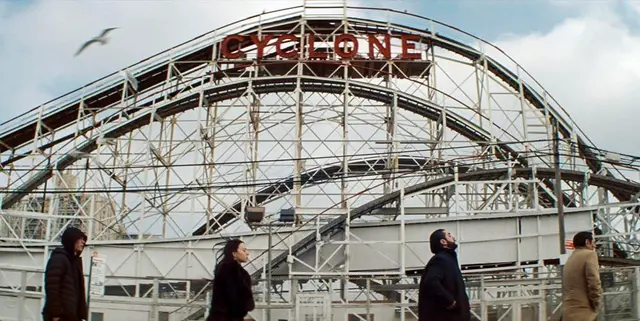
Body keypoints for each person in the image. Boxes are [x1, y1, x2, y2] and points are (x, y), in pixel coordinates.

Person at [418, 229, 470, 321]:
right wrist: (450, 302)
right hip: (447, 316)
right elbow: (431, 283)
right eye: (449, 235)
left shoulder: (447, 259)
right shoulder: (440, 260)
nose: (453, 237)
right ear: (443, 241)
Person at [42, 227, 88, 321]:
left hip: (71, 316)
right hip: (61, 316)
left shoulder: (74, 262)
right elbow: (52, 287)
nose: (83, 242)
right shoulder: (59, 259)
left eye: (84, 240)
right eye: (80, 239)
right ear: (72, 240)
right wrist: (56, 314)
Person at [207, 239, 255, 321]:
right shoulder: (230, 270)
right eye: (243, 250)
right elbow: (235, 297)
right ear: (234, 254)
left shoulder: (229, 269)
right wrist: (245, 306)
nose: (247, 253)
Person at [562, 231, 603, 321]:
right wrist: (596, 303)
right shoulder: (589, 254)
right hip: (584, 312)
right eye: (593, 242)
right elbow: (594, 282)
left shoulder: (570, 259)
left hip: (568, 313)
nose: (594, 246)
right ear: (587, 242)